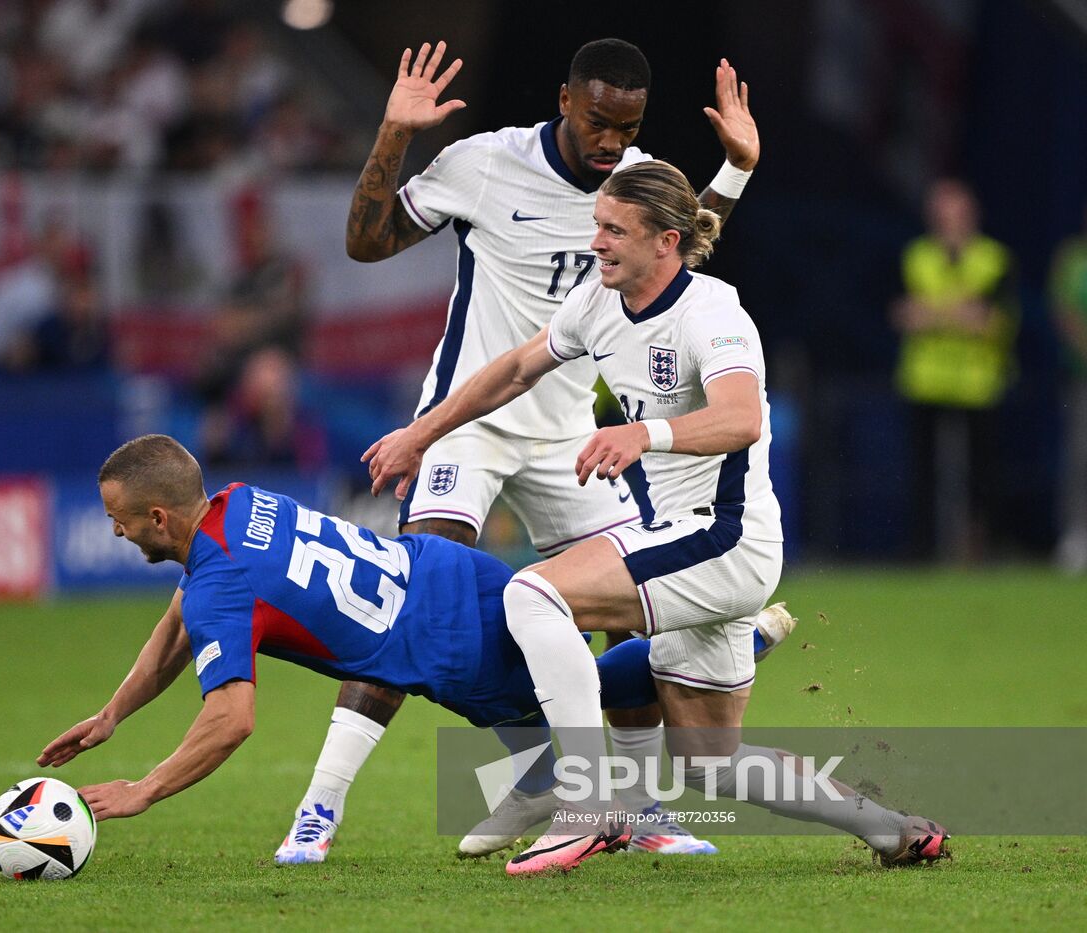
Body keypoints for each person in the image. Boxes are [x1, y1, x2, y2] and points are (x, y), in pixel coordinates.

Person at [365, 161, 947, 875]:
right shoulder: (598, 301)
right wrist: (422, 432)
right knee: (711, 763)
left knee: (533, 593)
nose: (597, 242)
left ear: (665, 241)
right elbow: (515, 369)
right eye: (597, 225)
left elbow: (740, 417)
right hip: (690, 545)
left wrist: (646, 434)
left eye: (614, 230)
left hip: (723, 536)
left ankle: (583, 799)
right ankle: (891, 829)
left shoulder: (714, 314)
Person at [279, 36, 767, 865]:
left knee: (624, 608)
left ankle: (636, 806)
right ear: (566, 100)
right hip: (469, 418)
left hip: (572, 435)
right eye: (601, 121)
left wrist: (740, 168)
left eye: (630, 125)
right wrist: (393, 134)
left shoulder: (634, 184)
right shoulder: (484, 164)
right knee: (414, 598)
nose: (613, 142)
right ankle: (318, 810)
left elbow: (684, 242)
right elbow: (368, 241)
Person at [35, 434, 806, 863]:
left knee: (589, 684)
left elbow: (231, 718)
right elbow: (181, 618)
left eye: (121, 519)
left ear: (161, 517)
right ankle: (548, 780)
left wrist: (145, 786)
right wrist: (113, 714)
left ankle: (735, 637)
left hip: (444, 649)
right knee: (565, 680)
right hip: (443, 569)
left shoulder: (219, 587)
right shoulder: (238, 506)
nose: (116, 530)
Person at [890, 179, 1017, 562]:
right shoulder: (916, 255)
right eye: (941, 214)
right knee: (923, 475)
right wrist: (960, 314)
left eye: (954, 213)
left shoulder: (994, 258)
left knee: (982, 476)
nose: (948, 222)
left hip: (977, 383)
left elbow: (994, 321)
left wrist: (933, 314)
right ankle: (924, 551)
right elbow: (902, 314)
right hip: (925, 380)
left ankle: (980, 547)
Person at [1049, 202, 1087, 574]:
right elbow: (1064, 311)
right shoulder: (1073, 259)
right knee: (1080, 457)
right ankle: (1078, 535)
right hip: (1083, 374)